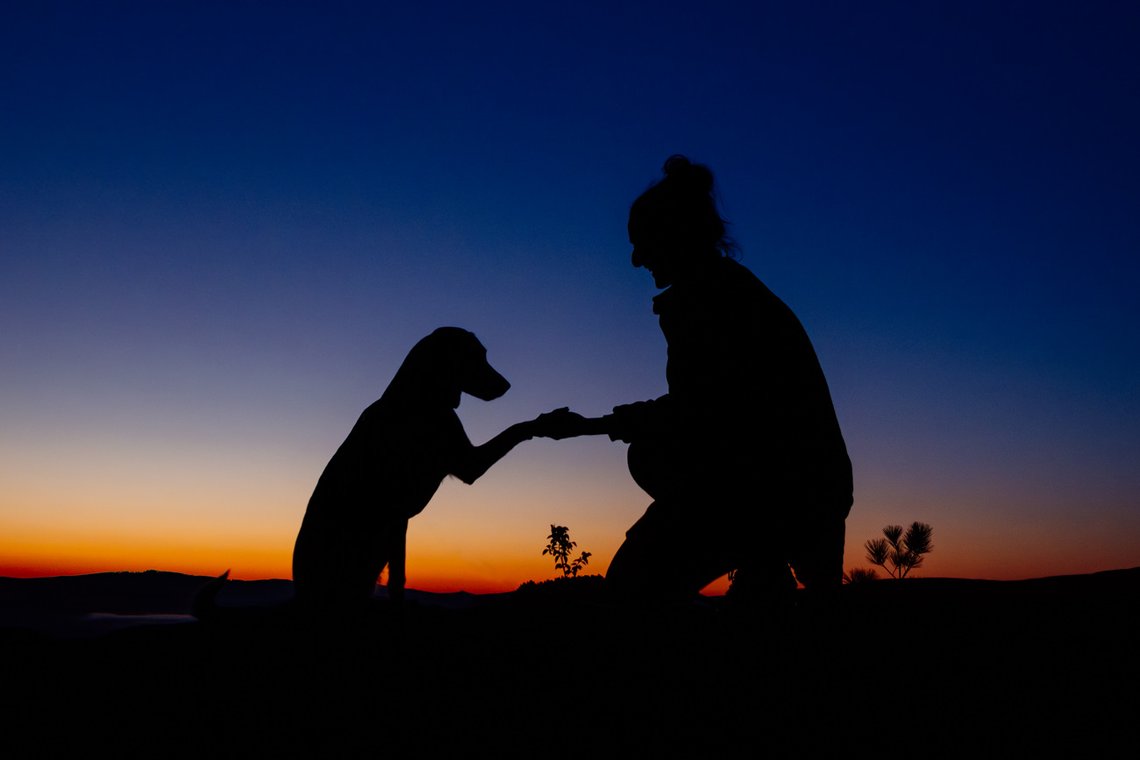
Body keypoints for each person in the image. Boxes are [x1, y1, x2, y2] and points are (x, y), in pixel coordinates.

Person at [552, 155, 853, 604]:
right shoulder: (728, 289)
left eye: (641, 243)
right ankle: (762, 564)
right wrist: (600, 425)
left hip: (784, 489)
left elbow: (699, 413)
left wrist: (593, 426)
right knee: (649, 456)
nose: (635, 260)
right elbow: (706, 408)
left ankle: (760, 558)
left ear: (674, 235)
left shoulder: (709, 301)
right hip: (805, 484)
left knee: (632, 577)